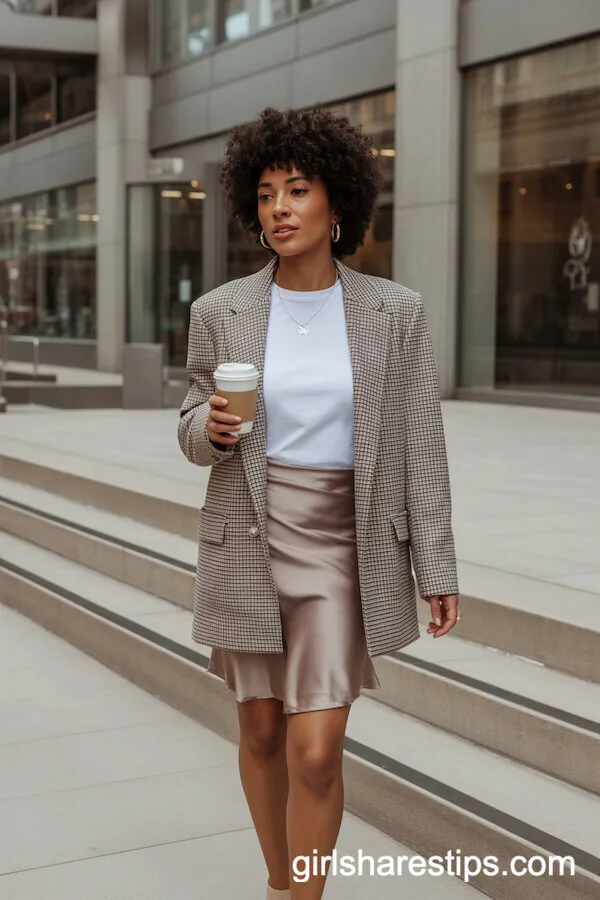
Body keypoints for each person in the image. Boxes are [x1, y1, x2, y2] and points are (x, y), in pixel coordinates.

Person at [178, 106, 460, 900]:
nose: (280, 209)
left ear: (338, 205)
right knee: (262, 730)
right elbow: (191, 423)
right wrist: (215, 428)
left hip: (344, 542)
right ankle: (279, 883)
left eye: (297, 190)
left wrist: (435, 562)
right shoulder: (221, 311)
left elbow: (419, 442)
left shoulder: (393, 312)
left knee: (314, 748)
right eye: (266, 193)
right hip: (249, 535)